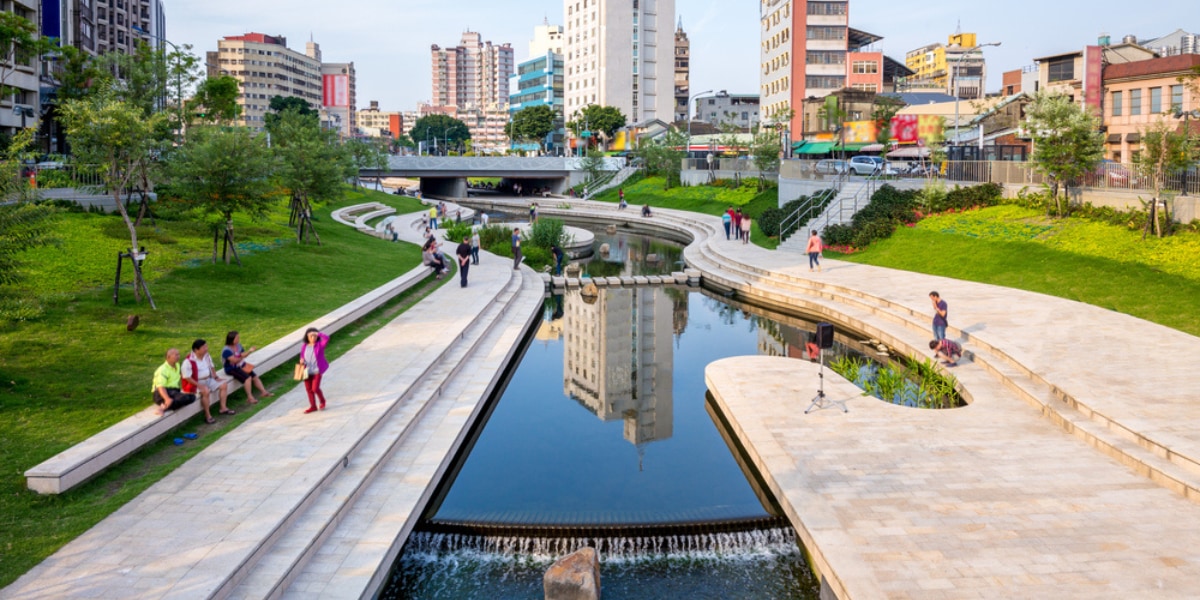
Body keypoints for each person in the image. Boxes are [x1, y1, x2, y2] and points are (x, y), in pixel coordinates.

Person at [182, 339, 231, 424]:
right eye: (204, 347)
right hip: (196, 382)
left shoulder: (206, 356)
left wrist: (215, 376)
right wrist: (199, 385)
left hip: (208, 379)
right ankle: (208, 416)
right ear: (196, 350)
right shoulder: (188, 361)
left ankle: (223, 408)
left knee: (223, 384)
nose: (206, 348)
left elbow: (211, 366)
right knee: (205, 391)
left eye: (206, 346)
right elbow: (187, 377)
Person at [222, 331, 272, 404]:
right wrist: (241, 356)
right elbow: (234, 361)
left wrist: (249, 352)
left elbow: (243, 355)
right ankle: (250, 397)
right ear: (232, 339)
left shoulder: (238, 346)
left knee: (254, 376)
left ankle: (264, 392)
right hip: (231, 368)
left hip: (241, 365)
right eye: (237, 338)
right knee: (247, 378)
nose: (238, 339)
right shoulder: (226, 350)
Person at [152, 348, 196, 417]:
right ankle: (161, 408)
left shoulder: (177, 365)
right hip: (161, 393)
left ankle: (166, 405)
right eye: (175, 355)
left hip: (173, 391)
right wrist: (167, 398)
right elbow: (160, 387)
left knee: (192, 397)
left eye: (178, 354)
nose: (178, 356)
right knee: (184, 398)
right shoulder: (162, 370)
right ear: (168, 357)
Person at [299, 328, 330, 413]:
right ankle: (313, 406)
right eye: (311, 336)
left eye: (314, 336)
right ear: (307, 336)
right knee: (308, 389)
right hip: (306, 370)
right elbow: (302, 355)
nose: (313, 337)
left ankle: (322, 401)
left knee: (315, 388)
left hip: (317, 370)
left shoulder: (320, 345)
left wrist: (318, 333)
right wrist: (301, 360)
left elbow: (327, 338)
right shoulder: (304, 346)